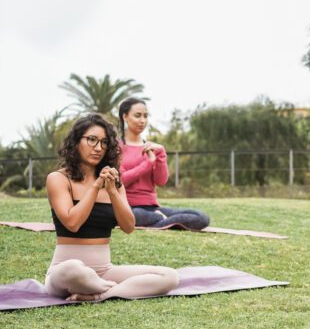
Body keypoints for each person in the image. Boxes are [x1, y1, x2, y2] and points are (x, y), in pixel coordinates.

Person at [45, 114, 179, 301]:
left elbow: (128, 227)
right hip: (65, 273)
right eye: (91, 140)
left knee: (169, 276)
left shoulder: (114, 183)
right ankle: (111, 288)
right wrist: (95, 186)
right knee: (73, 268)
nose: (98, 148)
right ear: (76, 142)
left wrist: (113, 192)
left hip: (104, 271)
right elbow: (72, 223)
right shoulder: (58, 179)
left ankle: (101, 294)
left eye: (104, 142)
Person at [118, 98, 210, 231]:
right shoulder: (116, 147)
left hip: (152, 207)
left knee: (201, 217)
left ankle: (160, 220)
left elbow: (161, 181)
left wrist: (161, 154)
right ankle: (161, 220)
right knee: (137, 214)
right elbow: (120, 181)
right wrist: (147, 164)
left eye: (145, 116)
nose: (142, 120)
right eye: (137, 116)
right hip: (127, 207)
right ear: (125, 116)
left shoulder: (151, 148)